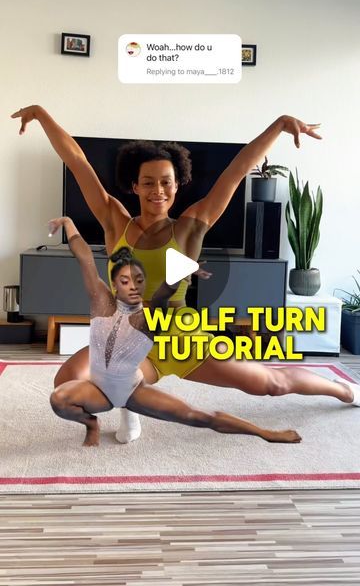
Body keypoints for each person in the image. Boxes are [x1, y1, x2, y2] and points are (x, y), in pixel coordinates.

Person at [11, 106, 360, 444]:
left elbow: (237, 170)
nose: (158, 191)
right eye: (148, 183)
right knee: (68, 381)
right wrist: (42, 115)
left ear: (178, 184)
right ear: (134, 186)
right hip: (129, 338)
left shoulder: (191, 226)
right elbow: (77, 162)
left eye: (166, 182)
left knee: (271, 383)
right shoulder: (114, 220)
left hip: (179, 335)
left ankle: (344, 390)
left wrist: (280, 124)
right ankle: (127, 399)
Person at [48, 216, 303, 446]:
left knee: (199, 417)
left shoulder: (149, 316)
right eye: (125, 282)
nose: (133, 287)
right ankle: (91, 423)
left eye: (139, 281)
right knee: (59, 399)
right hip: (100, 390)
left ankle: (265, 433)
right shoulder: (101, 301)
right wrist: (70, 223)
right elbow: (85, 258)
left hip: (131, 389)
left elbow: (165, 292)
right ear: (114, 283)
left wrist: (187, 269)